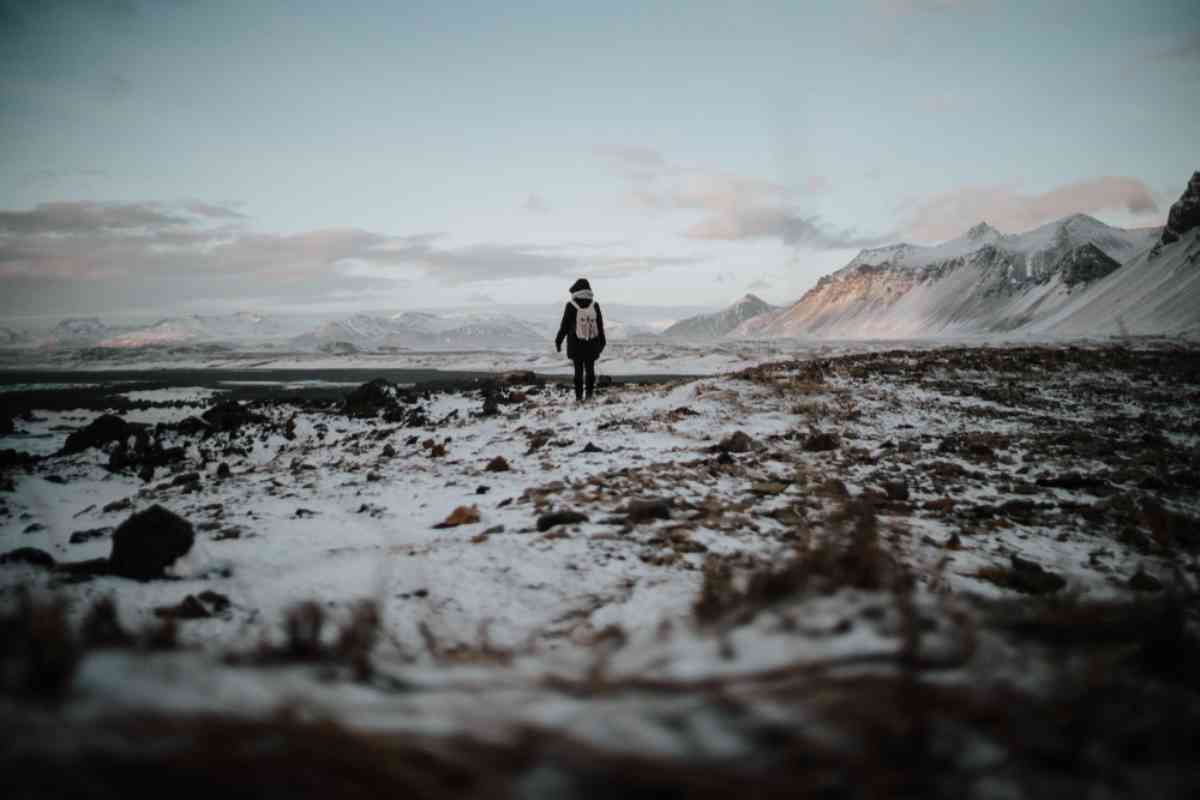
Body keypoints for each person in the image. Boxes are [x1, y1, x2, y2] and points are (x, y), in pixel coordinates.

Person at [555, 278, 606, 402]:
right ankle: (589, 395)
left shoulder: (571, 305)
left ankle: (578, 397)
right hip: (592, 343)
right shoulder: (595, 305)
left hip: (575, 343)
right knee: (590, 369)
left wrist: (558, 341)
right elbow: (600, 325)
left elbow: (565, 326)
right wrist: (602, 342)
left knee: (578, 371)